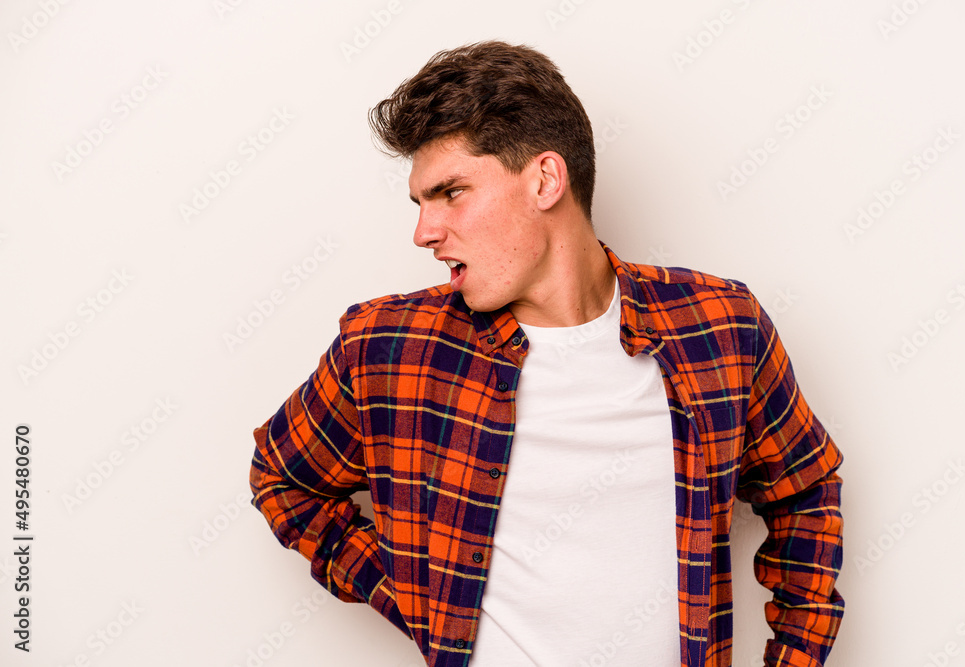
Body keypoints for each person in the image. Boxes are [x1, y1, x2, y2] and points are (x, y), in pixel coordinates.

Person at [249, 40, 844, 667]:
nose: (424, 232)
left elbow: (805, 491)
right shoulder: (390, 348)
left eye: (450, 192)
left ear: (545, 180)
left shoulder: (719, 328)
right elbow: (281, 479)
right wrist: (424, 602)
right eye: (420, 203)